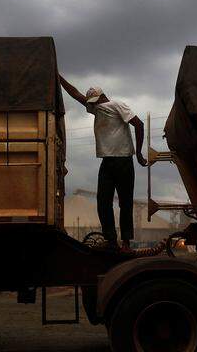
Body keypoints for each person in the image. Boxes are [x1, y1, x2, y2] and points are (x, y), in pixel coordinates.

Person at [59, 75, 147, 252]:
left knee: (125, 203)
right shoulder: (95, 108)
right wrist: (58, 77)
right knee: (103, 201)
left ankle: (126, 243)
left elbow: (138, 124)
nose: (93, 104)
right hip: (107, 162)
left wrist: (138, 153)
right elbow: (75, 93)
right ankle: (111, 241)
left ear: (102, 96)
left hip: (124, 161)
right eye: (91, 102)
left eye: (95, 100)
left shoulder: (116, 105)